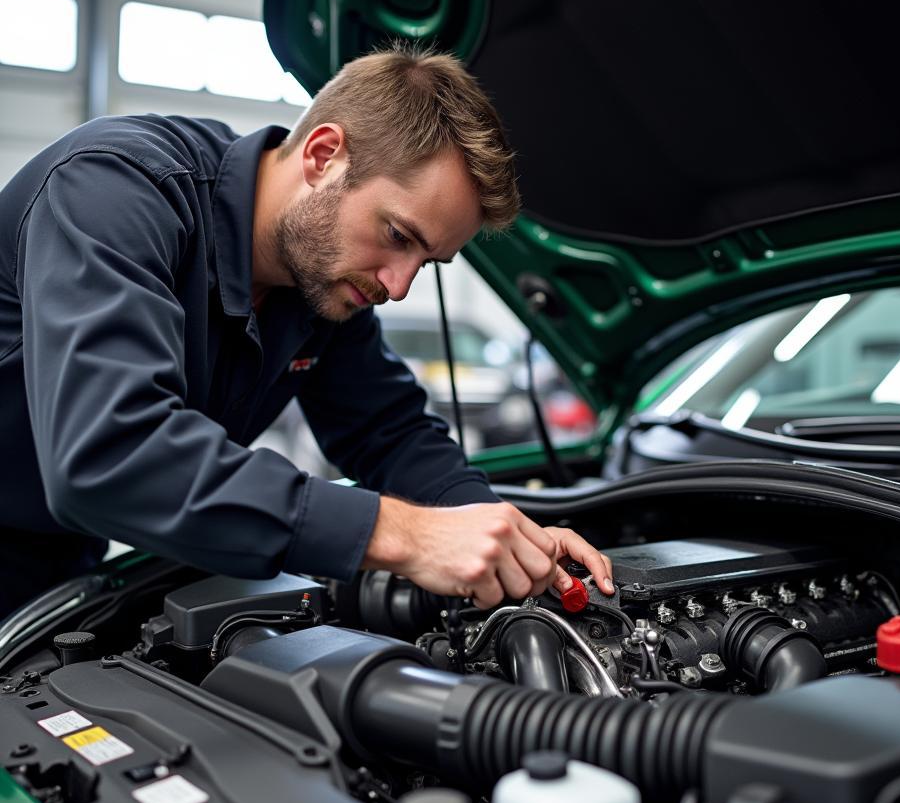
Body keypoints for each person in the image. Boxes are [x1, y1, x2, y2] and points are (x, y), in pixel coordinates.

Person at [0, 45, 613, 618]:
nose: (397, 286)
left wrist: (498, 531)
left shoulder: (320, 282)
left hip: (60, 561)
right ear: (323, 156)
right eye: (399, 236)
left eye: (424, 263)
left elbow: (387, 430)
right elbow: (111, 453)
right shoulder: (114, 190)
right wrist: (403, 535)